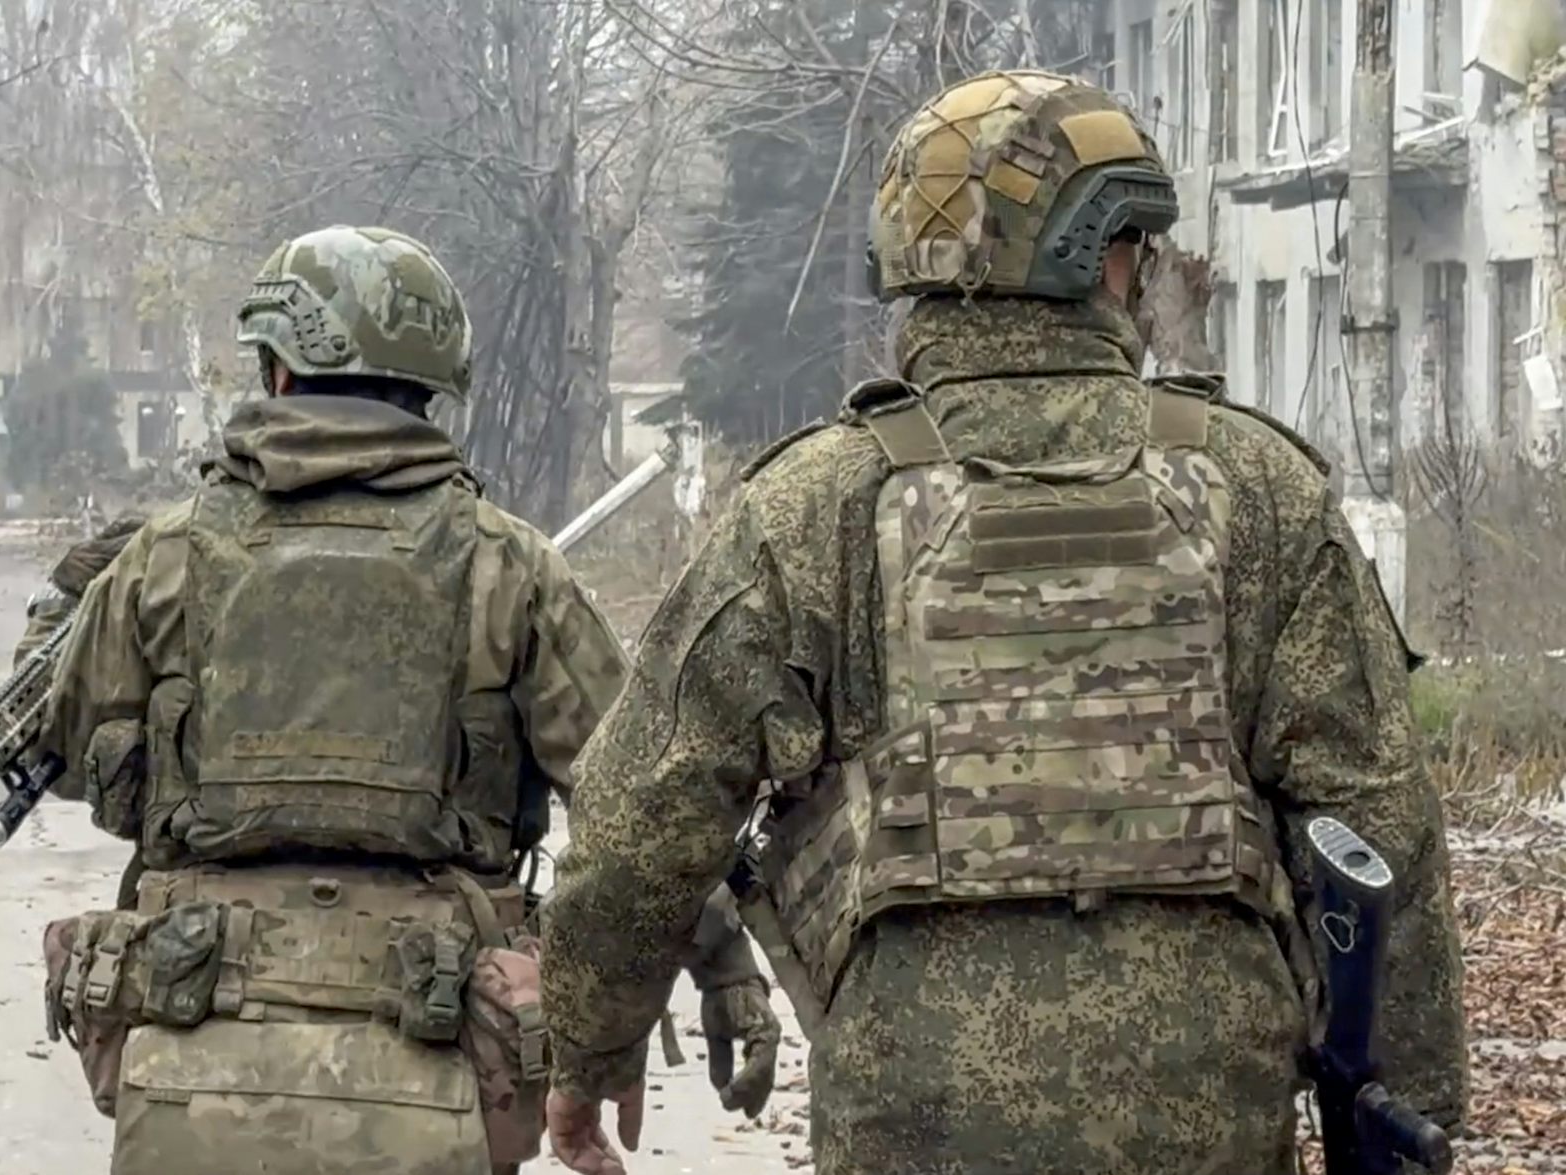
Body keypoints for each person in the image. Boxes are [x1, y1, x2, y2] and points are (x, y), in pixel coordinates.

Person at [537, 70, 1467, 1175]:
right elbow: (1379, 826)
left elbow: (647, 806)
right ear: (1105, 258)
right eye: (1140, 247)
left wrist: (586, 1047)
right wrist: (1402, 1112)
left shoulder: (815, 507)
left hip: (913, 1101)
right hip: (1200, 1096)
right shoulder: (1257, 490)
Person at [31, 224, 778, 1175]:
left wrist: (61, 602)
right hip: (440, 1065)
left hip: (192, 1062)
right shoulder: (508, 564)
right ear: (429, 389)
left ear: (280, 373)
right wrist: (722, 971)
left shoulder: (164, 557)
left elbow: (58, 746)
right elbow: (644, 811)